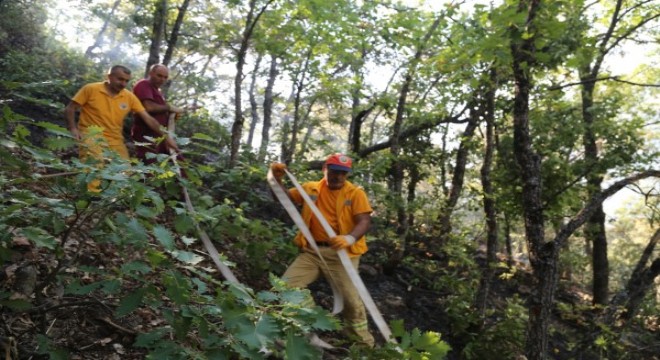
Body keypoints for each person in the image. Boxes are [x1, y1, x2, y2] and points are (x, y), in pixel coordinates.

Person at [270, 154, 375, 347]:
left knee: (351, 300)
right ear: (325, 169)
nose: (339, 177)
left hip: (342, 254)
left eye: (343, 173)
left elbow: (364, 221)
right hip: (312, 251)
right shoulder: (311, 188)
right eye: (335, 172)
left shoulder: (355, 193)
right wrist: (276, 179)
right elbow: (282, 198)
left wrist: (349, 238)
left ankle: (362, 344)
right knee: (286, 286)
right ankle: (303, 326)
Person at [131, 64, 185, 163]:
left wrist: (171, 116)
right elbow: (149, 107)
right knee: (148, 168)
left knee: (178, 164)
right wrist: (169, 107)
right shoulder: (143, 84)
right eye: (159, 76)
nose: (162, 80)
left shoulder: (158, 91)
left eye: (165, 77)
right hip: (146, 136)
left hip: (161, 136)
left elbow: (160, 112)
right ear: (150, 73)